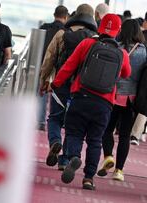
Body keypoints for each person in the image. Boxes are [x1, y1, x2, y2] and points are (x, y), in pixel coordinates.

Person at [51, 14, 131, 190]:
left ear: (100, 27)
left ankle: (73, 157)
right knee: (95, 140)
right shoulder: (122, 53)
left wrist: (55, 83)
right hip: (104, 104)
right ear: (117, 31)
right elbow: (126, 73)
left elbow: (69, 66)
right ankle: (88, 178)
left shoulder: (87, 44)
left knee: (74, 133)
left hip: (81, 96)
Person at [39, 4, 97, 171]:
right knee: (73, 124)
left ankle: (55, 141)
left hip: (61, 84)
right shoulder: (95, 38)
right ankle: (64, 161)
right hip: (82, 88)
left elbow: (49, 59)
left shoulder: (62, 33)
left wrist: (44, 80)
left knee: (55, 117)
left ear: (76, 15)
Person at [98, 19, 147, 182]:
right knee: (125, 136)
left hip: (112, 95)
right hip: (132, 99)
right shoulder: (143, 52)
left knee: (107, 130)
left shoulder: (115, 47)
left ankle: (108, 156)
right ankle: (119, 170)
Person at [37, 5, 69, 131]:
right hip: (59, 67)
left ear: (54, 15)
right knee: (56, 94)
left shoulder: (44, 28)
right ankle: (55, 119)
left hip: (43, 63)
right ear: (66, 17)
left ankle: (40, 120)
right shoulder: (66, 32)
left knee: (42, 92)